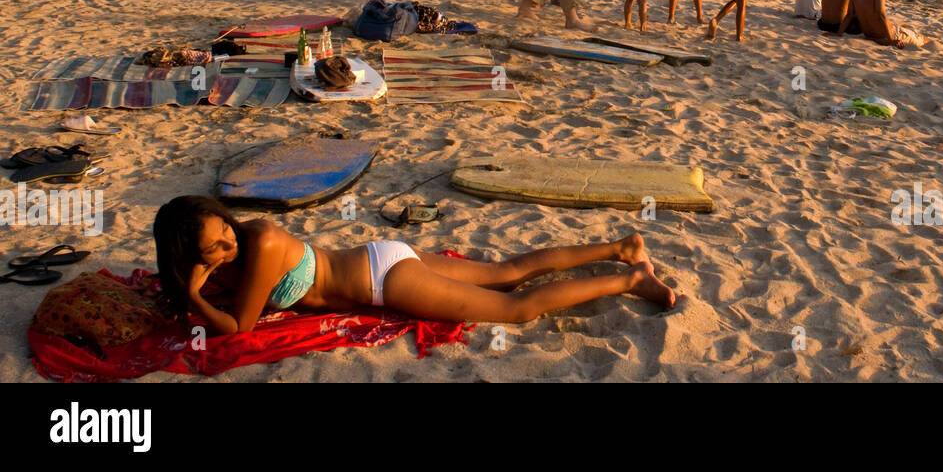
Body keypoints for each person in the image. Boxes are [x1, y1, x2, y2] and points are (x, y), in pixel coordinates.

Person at [153, 196, 673, 334]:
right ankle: (620, 246)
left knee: (516, 309)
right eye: (213, 249)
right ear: (189, 257)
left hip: (385, 280)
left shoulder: (260, 241)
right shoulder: (231, 261)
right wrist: (193, 287)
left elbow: (238, 328)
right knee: (508, 269)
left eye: (223, 229)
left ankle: (629, 276)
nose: (227, 245)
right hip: (380, 258)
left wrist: (196, 296)